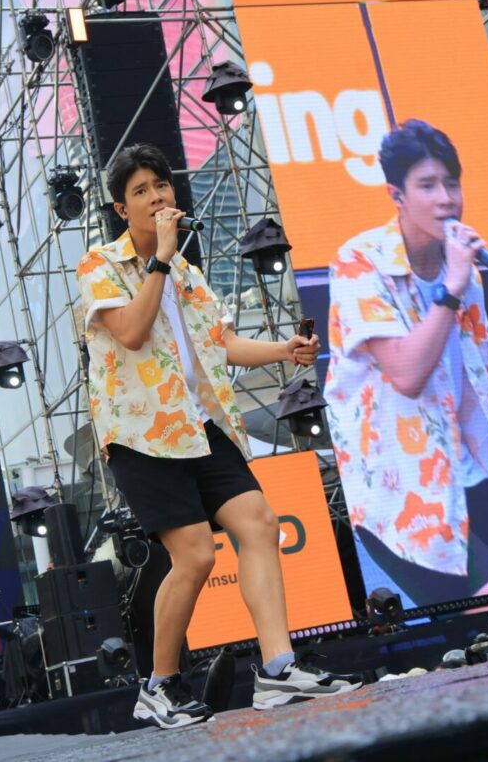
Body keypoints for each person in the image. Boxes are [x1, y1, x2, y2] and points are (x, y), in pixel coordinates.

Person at [76, 144, 360, 729]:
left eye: (161, 185)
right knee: (196, 556)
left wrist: (285, 350)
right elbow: (131, 332)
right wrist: (160, 259)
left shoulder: (187, 273)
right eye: (140, 191)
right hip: (143, 434)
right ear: (121, 209)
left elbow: (222, 344)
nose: (156, 197)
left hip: (201, 423)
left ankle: (277, 669)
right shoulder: (100, 265)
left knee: (259, 523)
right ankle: (159, 685)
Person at [324, 120, 488, 606]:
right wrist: (450, 288)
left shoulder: (465, 275)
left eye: (452, 184)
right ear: (397, 195)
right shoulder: (361, 261)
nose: (446, 199)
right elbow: (407, 374)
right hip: (401, 488)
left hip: (467, 470)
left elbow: (475, 385)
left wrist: (457, 280)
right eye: (428, 186)